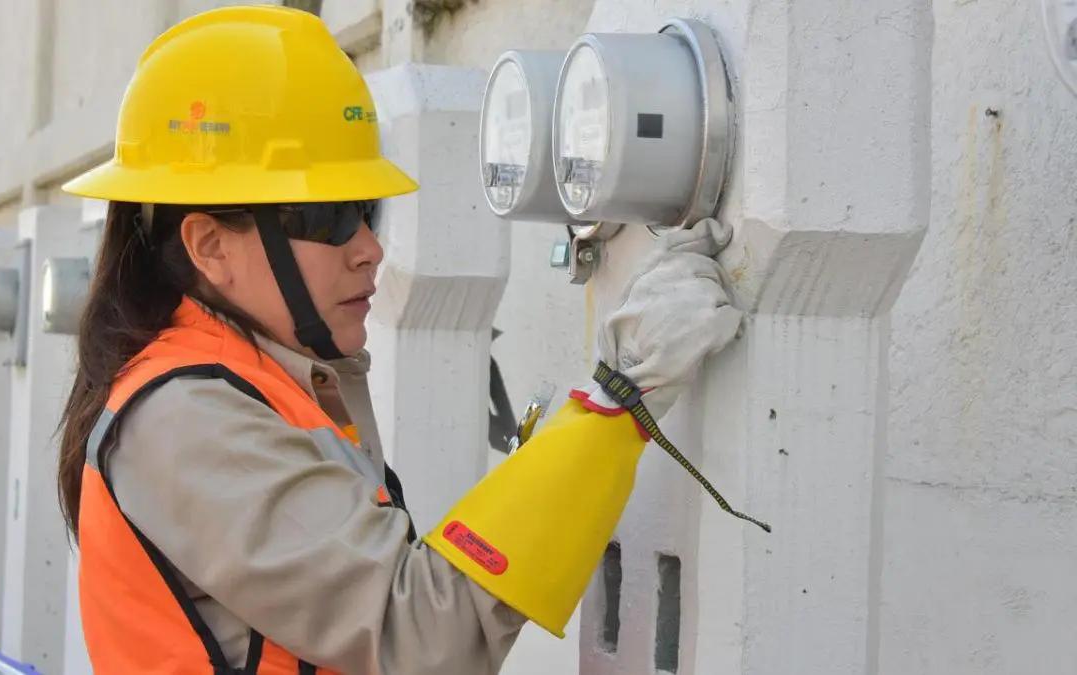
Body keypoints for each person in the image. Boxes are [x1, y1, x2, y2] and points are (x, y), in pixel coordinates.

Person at [57, 6, 742, 675]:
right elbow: (418, 634)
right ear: (210, 246)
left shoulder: (257, 383)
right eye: (327, 217)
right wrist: (621, 392)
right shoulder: (187, 420)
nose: (367, 248)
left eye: (367, 210)